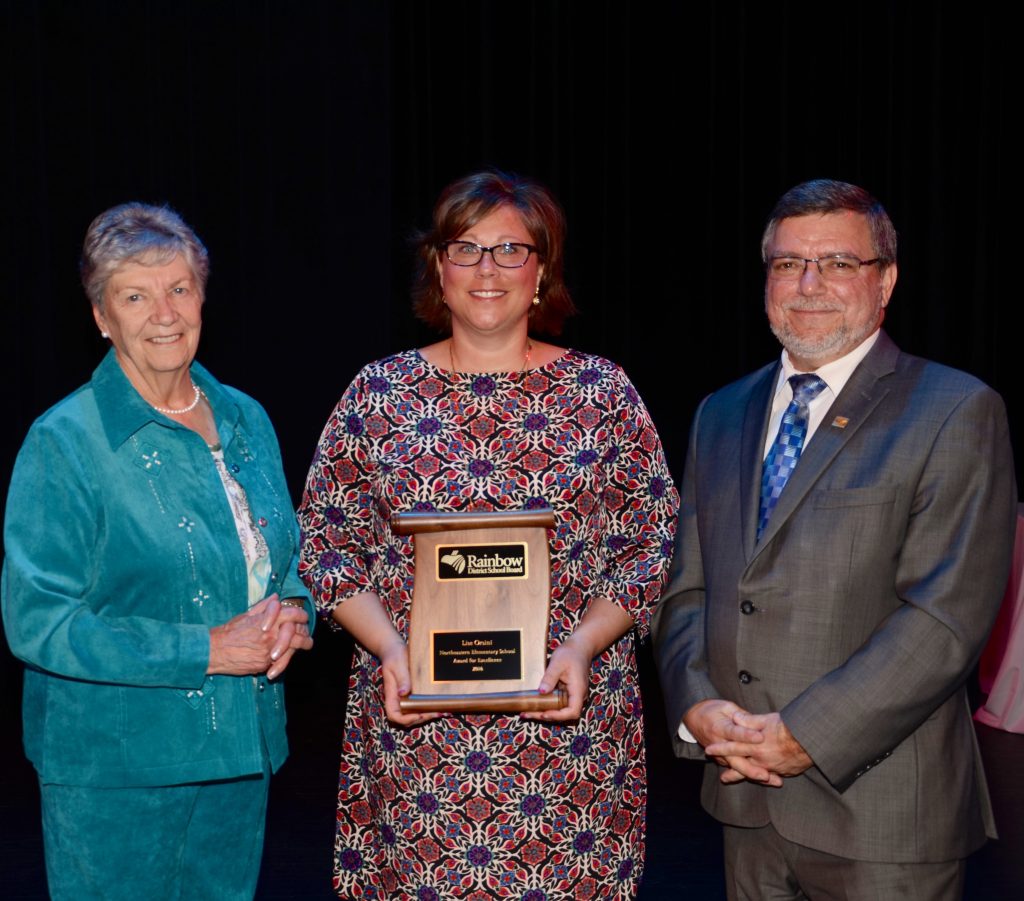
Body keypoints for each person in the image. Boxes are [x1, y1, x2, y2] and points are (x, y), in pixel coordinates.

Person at [298, 170, 678, 898]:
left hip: (568, 736)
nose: (487, 269)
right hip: (419, 741)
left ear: (542, 272)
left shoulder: (602, 394)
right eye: (466, 248)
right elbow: (323, 540)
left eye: (511, 249)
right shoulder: (376, 394)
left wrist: (580, 644)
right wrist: (387, 646)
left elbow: (653, 541)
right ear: (437, 268)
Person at [652, 178, 1017, 900]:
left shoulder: (956, 408)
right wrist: (695, 705)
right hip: (744, 802)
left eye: (838, 263)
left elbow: (945, 619)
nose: (809, 283)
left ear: (885, 281)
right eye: (789, 263)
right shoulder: (719, 413)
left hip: (884, 817)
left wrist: (806, 733)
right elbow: (686, 589)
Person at [1, 202, 314, 900]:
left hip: (241, 749)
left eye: (179, 288)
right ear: (101, 317)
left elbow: (280, 556)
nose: (164, 312)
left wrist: (296, 607)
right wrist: (206, 648)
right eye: (135, 296)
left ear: (203, 296)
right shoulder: (66, 441)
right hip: (119, 769)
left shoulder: (246, 416)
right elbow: (38, 620)